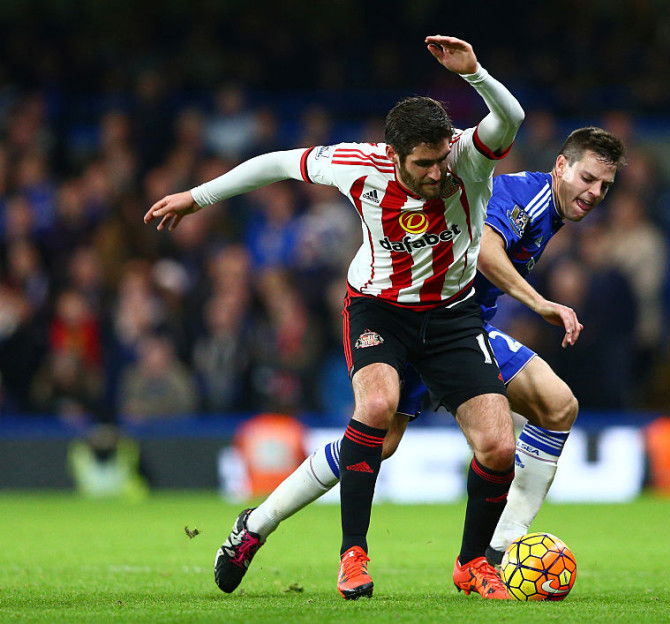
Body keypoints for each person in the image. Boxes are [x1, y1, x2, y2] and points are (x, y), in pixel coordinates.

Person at [145, 35, 524, 600]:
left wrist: (475, 74)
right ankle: (352, 556)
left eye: (441, 158)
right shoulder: (356, 164)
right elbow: (275, 163)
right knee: (374, 409)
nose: (437, 173)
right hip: (380, 309)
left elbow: (511, 116)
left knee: (498, 446)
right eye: (422, 164)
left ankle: (472, 564)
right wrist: (197, 198)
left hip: (451, 315)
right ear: (393, 154)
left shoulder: (467, 155)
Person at [204, 127, 626, 587]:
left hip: (463, 328)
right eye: (588, 179)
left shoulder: (553, 211)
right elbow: (486, 248)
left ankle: (501, 547)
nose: (594, 193)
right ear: (561, 166)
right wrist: (540, 303)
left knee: (557, 406)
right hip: (421, 319)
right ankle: (258, 524)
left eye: (604, 186)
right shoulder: (526, 197)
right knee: (377, 442)